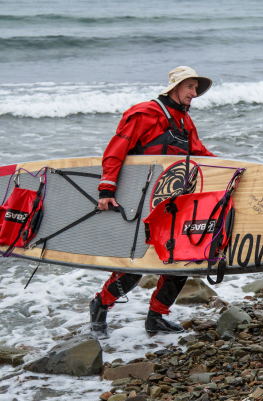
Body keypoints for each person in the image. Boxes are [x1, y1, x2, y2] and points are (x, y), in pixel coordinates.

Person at [90, 66, 216, 334]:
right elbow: (115, 151)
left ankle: (156, 317)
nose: (195, 93)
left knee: (180, 261)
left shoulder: (184, 121)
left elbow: (200, 154)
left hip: (172, 205)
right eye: (191, 87)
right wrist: (106, 190)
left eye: (196, 88)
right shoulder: (145, 113)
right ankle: (100, 306)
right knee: (136, 268)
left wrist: (234, 169)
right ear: (175, 86)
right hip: (139, 205)